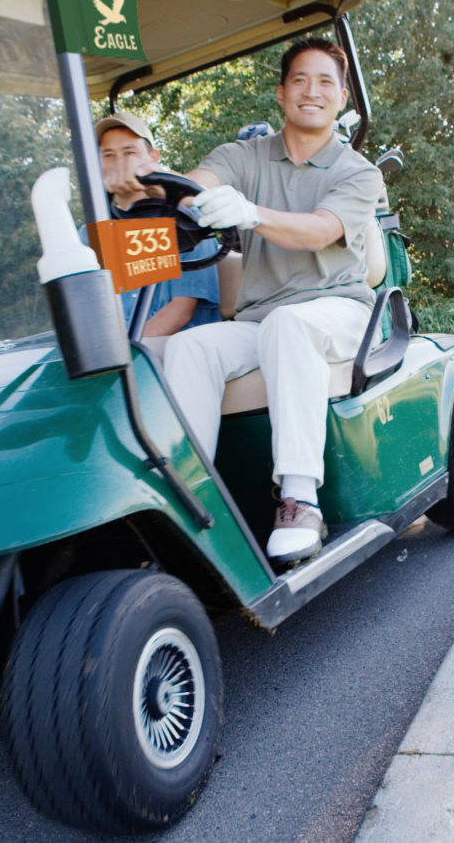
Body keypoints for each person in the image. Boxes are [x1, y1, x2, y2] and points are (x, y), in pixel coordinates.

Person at [104, 38, 382, 567]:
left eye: (325, 82)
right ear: (281, 93)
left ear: (342, 98)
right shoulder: (243, 156)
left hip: (338, 310)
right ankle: (188, 500)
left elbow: (321, 230)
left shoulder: (355, 171)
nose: (312, 91)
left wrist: (252, 213)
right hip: (261, 318)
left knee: (288, 325)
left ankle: (299, 499)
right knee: (191, 348)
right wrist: (174, 193)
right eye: (300, 80)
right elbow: (197, 186)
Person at [93, 111, 221, 336]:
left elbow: (180, 311)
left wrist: (127, 356)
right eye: (109, 155)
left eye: (129, 152)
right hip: (115, 353)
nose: (119, 164)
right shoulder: (91, 234)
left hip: (171, 347)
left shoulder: (186, 221)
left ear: (153, 157)